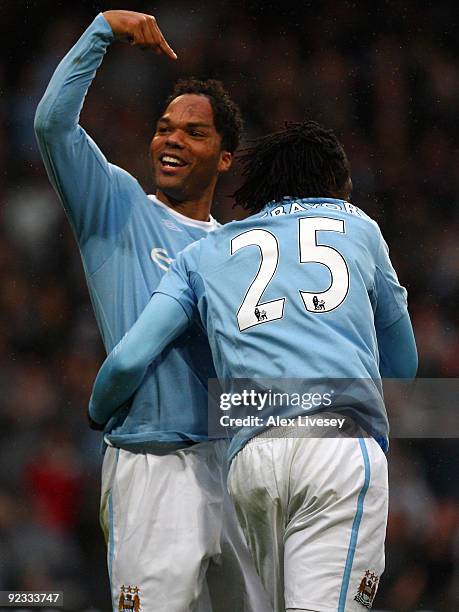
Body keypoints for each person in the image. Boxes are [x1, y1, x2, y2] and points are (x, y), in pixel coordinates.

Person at [88, 120, 418, 611]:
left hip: (250, 462)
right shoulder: (359, 227)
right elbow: (405, 363)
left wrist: (98, 411)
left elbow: (129, 358)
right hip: (337, 445)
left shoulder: (203, 253)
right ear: (337, 187)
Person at [34, 9, 270, 612]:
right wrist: (100, 32)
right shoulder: (114, 207)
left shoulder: (238, 252)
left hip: (233, 470)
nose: (171, 140)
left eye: (193, 132)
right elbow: (53, 125)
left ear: (225, 158)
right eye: (165, 127)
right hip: (152, 468)